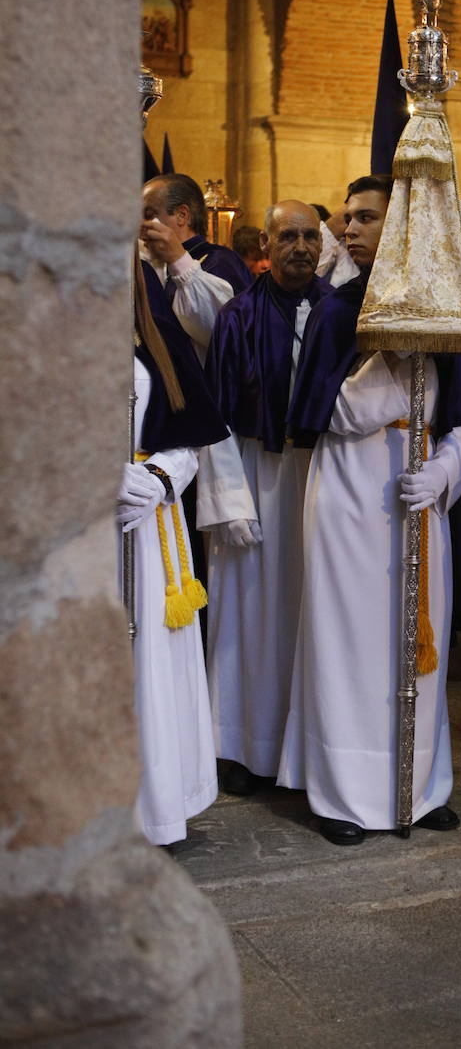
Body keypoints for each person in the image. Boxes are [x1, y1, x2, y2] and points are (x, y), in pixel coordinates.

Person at [278, 174, 461, 844]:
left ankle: (420, 787)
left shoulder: (448, 312)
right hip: (350, 499)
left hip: (420, 492)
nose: (347, 229)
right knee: (351, 645)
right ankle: (343, 794)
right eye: (346, 218)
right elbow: (331, 413)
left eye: (365, 218)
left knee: (417, 642)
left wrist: (446, 474)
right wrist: (394, 365)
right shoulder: (339, 312)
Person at [195, 201, 330, 796]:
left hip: (326, 474)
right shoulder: (238, 315)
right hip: (255, 475)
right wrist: (228, 500)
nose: (300, 246)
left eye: (309, 236)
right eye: (288, 236)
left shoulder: (342, 309)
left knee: (311, 614)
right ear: (266, 245)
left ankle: (307, 749)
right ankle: (242, 746)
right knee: (249, 611)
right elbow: (217, 417)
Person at [116, 251, 228, 845]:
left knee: (149, 666)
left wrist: (158, 478)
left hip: (148, 526)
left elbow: (193, 437)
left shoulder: (160, 340)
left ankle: (151, 809)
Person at [142, 173, 251, 360]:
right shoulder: (158, 266)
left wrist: (179, 260)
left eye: (149, 215)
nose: (140, 225)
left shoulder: (220, 261)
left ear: (181, 216)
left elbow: (224, 333)